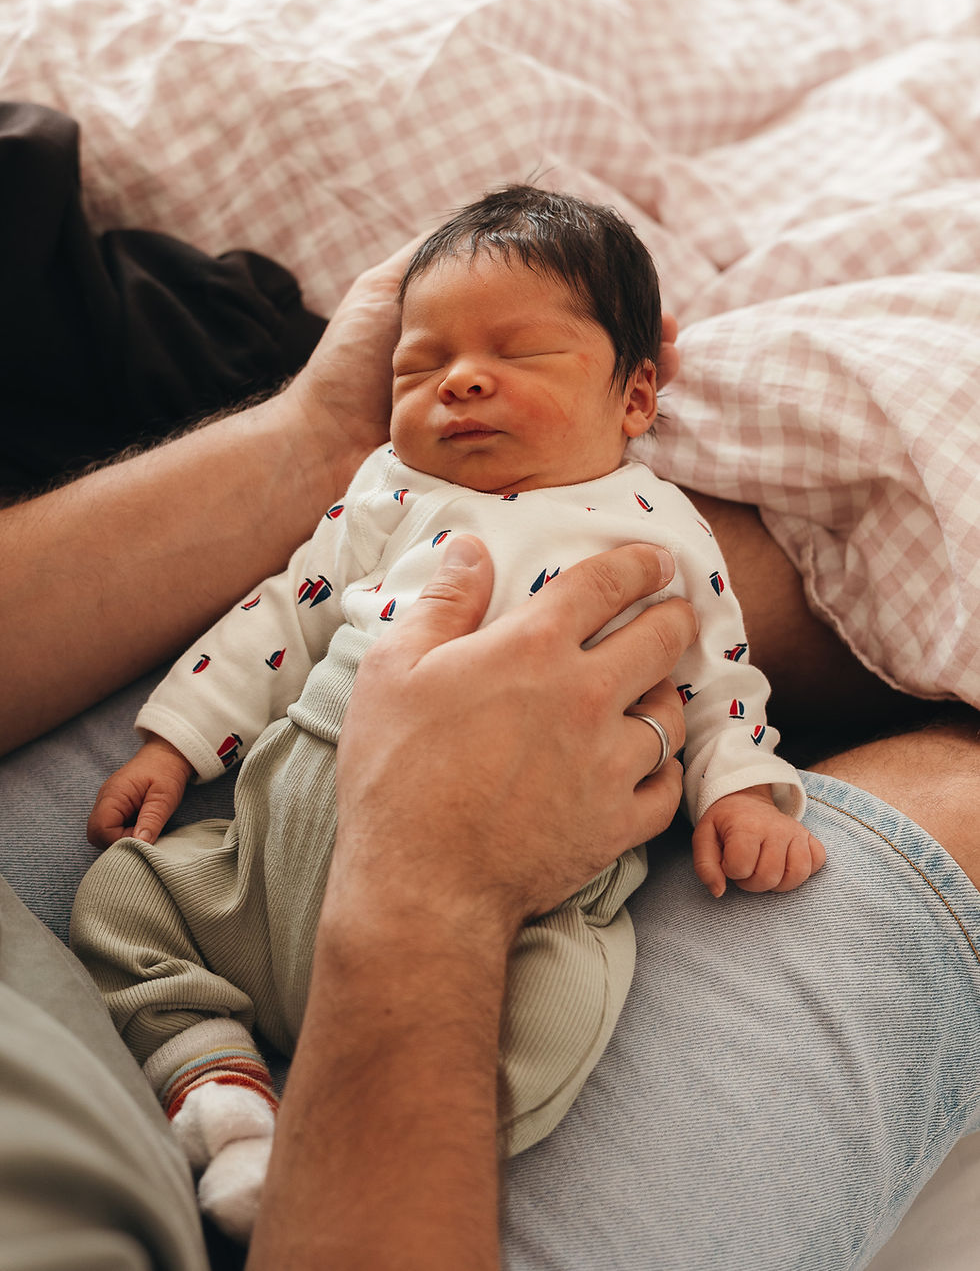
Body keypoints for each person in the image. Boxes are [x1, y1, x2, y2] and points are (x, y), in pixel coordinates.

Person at [2, 209, 979, 1271]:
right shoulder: (383, 492)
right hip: (270, 850)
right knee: (127, 899)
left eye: (517, 354)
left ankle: (319, 1106)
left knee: (566, 1012)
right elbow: (284, 617)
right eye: (421, 365)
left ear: (637, 395)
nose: (459, 382)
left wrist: (742, 791)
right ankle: (221, 1091)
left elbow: (714, 681)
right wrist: (177, 743)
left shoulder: (658, 526)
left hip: (525, 919)